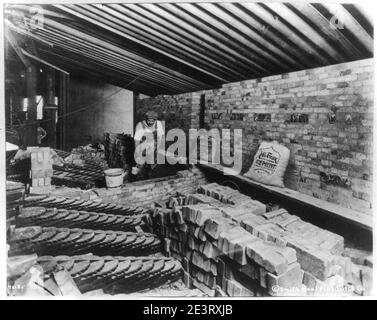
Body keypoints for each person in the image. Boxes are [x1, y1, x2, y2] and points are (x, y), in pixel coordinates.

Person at [133, 110, 164, 180]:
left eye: (152, 121)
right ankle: (138, 181)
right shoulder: (140, 125)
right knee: (140, 167)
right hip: (142, 148)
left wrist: (156, 150)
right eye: (148, 120)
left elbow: (160, 138)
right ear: (146, 119)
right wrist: (138, 154)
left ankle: (151, 180)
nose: (150, 122)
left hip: (153, 147)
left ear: (155, 120)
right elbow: (136, 141)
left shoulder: (158, 124)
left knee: (153, 168)